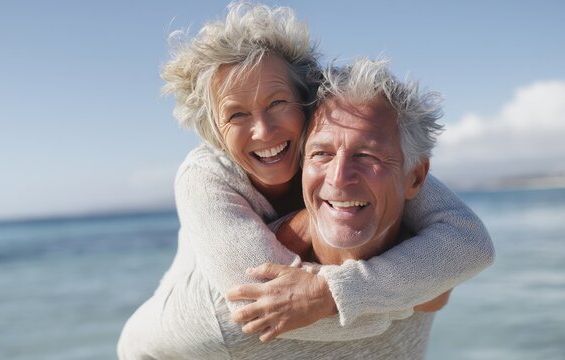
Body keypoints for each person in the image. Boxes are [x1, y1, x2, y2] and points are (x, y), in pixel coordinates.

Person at [117, 3, 494, 359]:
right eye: (236, 115)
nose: (264, 130)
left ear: (306, 102)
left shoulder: (338, 149)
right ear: (212, 131)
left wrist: (335, 291)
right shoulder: (204, 177)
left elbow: (469, 241)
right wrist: (411, 294)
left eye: (278, 102)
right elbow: (271, 308)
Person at [223, 58, 462, 358]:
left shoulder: (428, 266)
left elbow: (438, 292)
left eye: (366, 155)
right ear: (301, 165)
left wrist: (330, 293)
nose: (338, 178)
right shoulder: (256, 272)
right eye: (321, 153)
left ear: (415, 177)